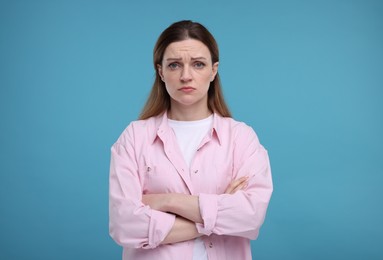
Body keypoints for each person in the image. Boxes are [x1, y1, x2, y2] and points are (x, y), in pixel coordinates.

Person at [109, 20, 273, 260]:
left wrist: (167, 201)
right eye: (174, 65)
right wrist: (217, 212)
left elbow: (250, 215)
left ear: (213, 70)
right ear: (161, 71)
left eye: (198, 64)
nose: (186, 76)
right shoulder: (134, 137)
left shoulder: (241, 138)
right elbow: (124, 225)